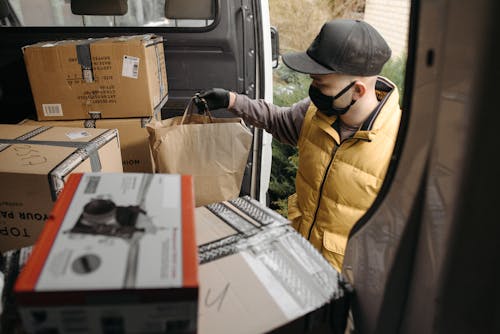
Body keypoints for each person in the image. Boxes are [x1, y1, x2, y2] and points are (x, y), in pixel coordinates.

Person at [195, 19, 401, 272]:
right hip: (300, 260)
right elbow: (277, 120)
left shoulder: (398, 147)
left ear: (358, 91)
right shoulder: (314, 112)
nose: (312, 89)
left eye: (321, 84)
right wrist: (231, 100)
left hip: (346, 283)